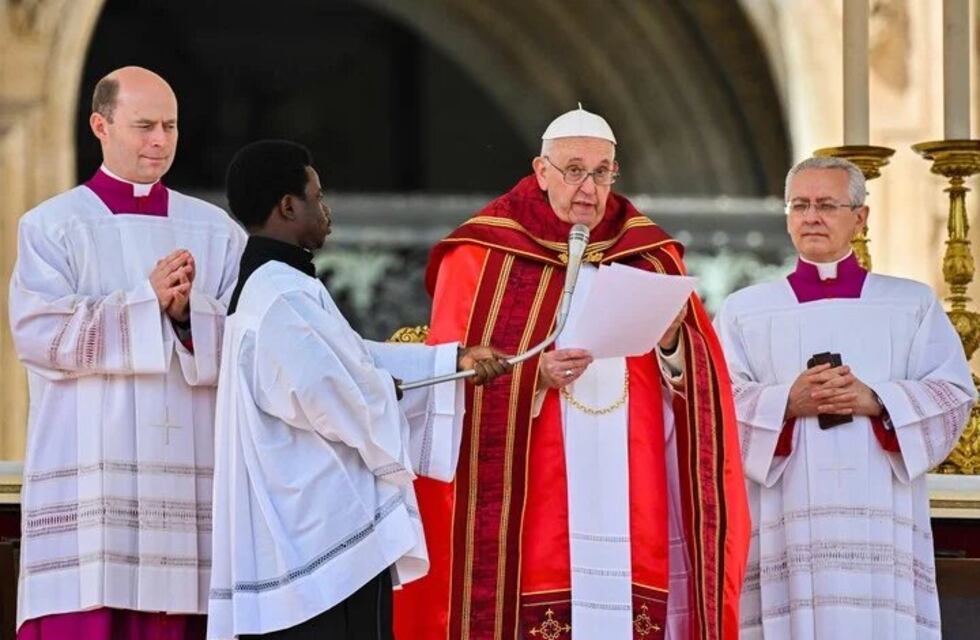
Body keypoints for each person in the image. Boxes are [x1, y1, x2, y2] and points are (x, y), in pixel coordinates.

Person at [394, 106, 750, 639]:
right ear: (541, 171)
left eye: (602, 171)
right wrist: (532, 377)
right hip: (538, 490)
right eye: (574, 170)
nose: (589, 186)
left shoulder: (650, 255)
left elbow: (702, 388)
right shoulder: (481, 254)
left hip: (634, 481)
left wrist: (675, 340)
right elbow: (449, 378)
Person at [207, 140, 510, 640]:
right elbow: (332, 393)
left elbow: (353, 359)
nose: (326, 210)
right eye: (316, 196)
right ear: (288, 206)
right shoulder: (279, 297)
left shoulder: (281, 287)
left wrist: (451, 360)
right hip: (319, 540)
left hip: (313, 535)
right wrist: (381, 392)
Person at [9, 66, 246, 639]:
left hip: (187, 485)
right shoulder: (52, 227)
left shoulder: (217, 232)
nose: (159, 140)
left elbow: (246, 343)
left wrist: (190, 316)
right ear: (101, 125)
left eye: (169, 126)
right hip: (93, 490)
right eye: (144, 126)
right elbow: (41, 336)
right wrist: (146, 303)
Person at [714, 156, 977, 639]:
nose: (811, 216)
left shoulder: (910, 304)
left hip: (880, 515)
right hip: (786, 516)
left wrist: (876, 400)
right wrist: (785, 403)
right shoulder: (744, 311)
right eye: (800, 205)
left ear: (860, 217)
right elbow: (714, 403)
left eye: (827, 205)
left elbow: (953, 392)